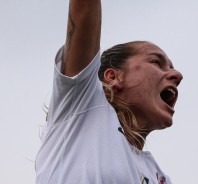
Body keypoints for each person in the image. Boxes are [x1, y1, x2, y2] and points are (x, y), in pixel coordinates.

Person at [35, 0, 183, 183]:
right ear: (113, 77)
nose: (177, 75)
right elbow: (84, 9)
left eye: (171, 68)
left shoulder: (158, 176)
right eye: (156, 62)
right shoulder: (82, 103)